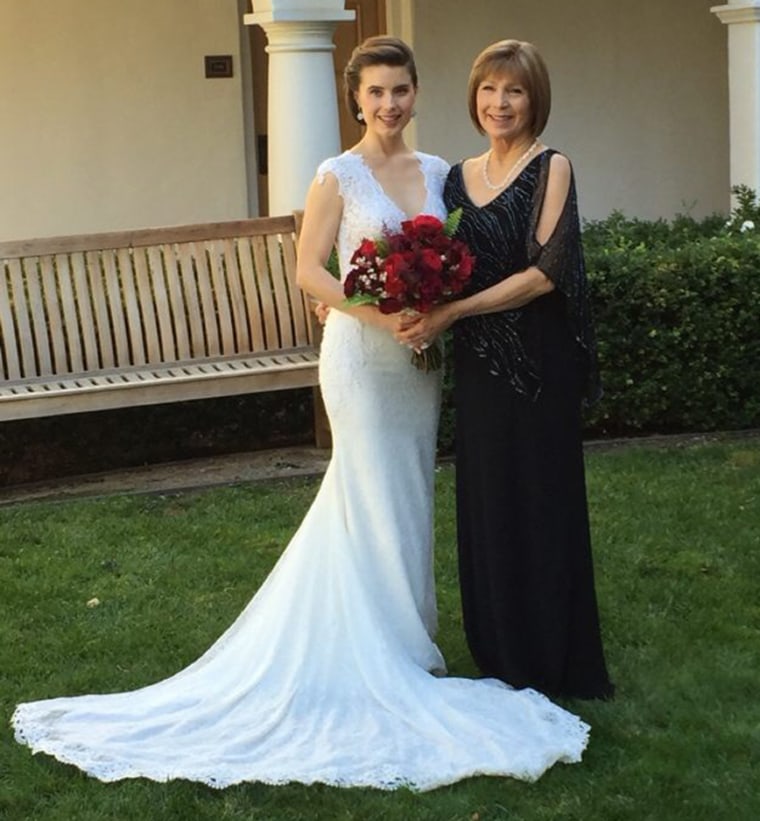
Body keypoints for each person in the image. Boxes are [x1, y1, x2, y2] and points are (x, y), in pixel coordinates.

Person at [11, 37, 591, 792]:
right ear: (356, 99)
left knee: (406, 494)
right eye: (376, 92)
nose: (389, 104)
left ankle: (407, 642)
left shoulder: (441, 173)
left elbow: (464, 258)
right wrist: (381, 317)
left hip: (421, 362)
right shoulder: (337, 173)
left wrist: (429, 312)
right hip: (364, 354)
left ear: (418, 94)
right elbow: (308, 270)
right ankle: (366, 649)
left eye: (401, 91)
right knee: (364, 488)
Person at [398, 39, 614, 700]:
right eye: (490, 90)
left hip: (537, 362)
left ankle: (553, 653)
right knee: (489, 499)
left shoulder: (553, 167)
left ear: (533, 99)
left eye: (514, 91)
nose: (501, 104)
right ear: (475, 98)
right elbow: (426, 252)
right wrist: (387, 299)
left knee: (542, 500)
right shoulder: (455, 178)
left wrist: (453, 310)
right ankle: (497, 648)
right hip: (480, 365)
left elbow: (544, 275)